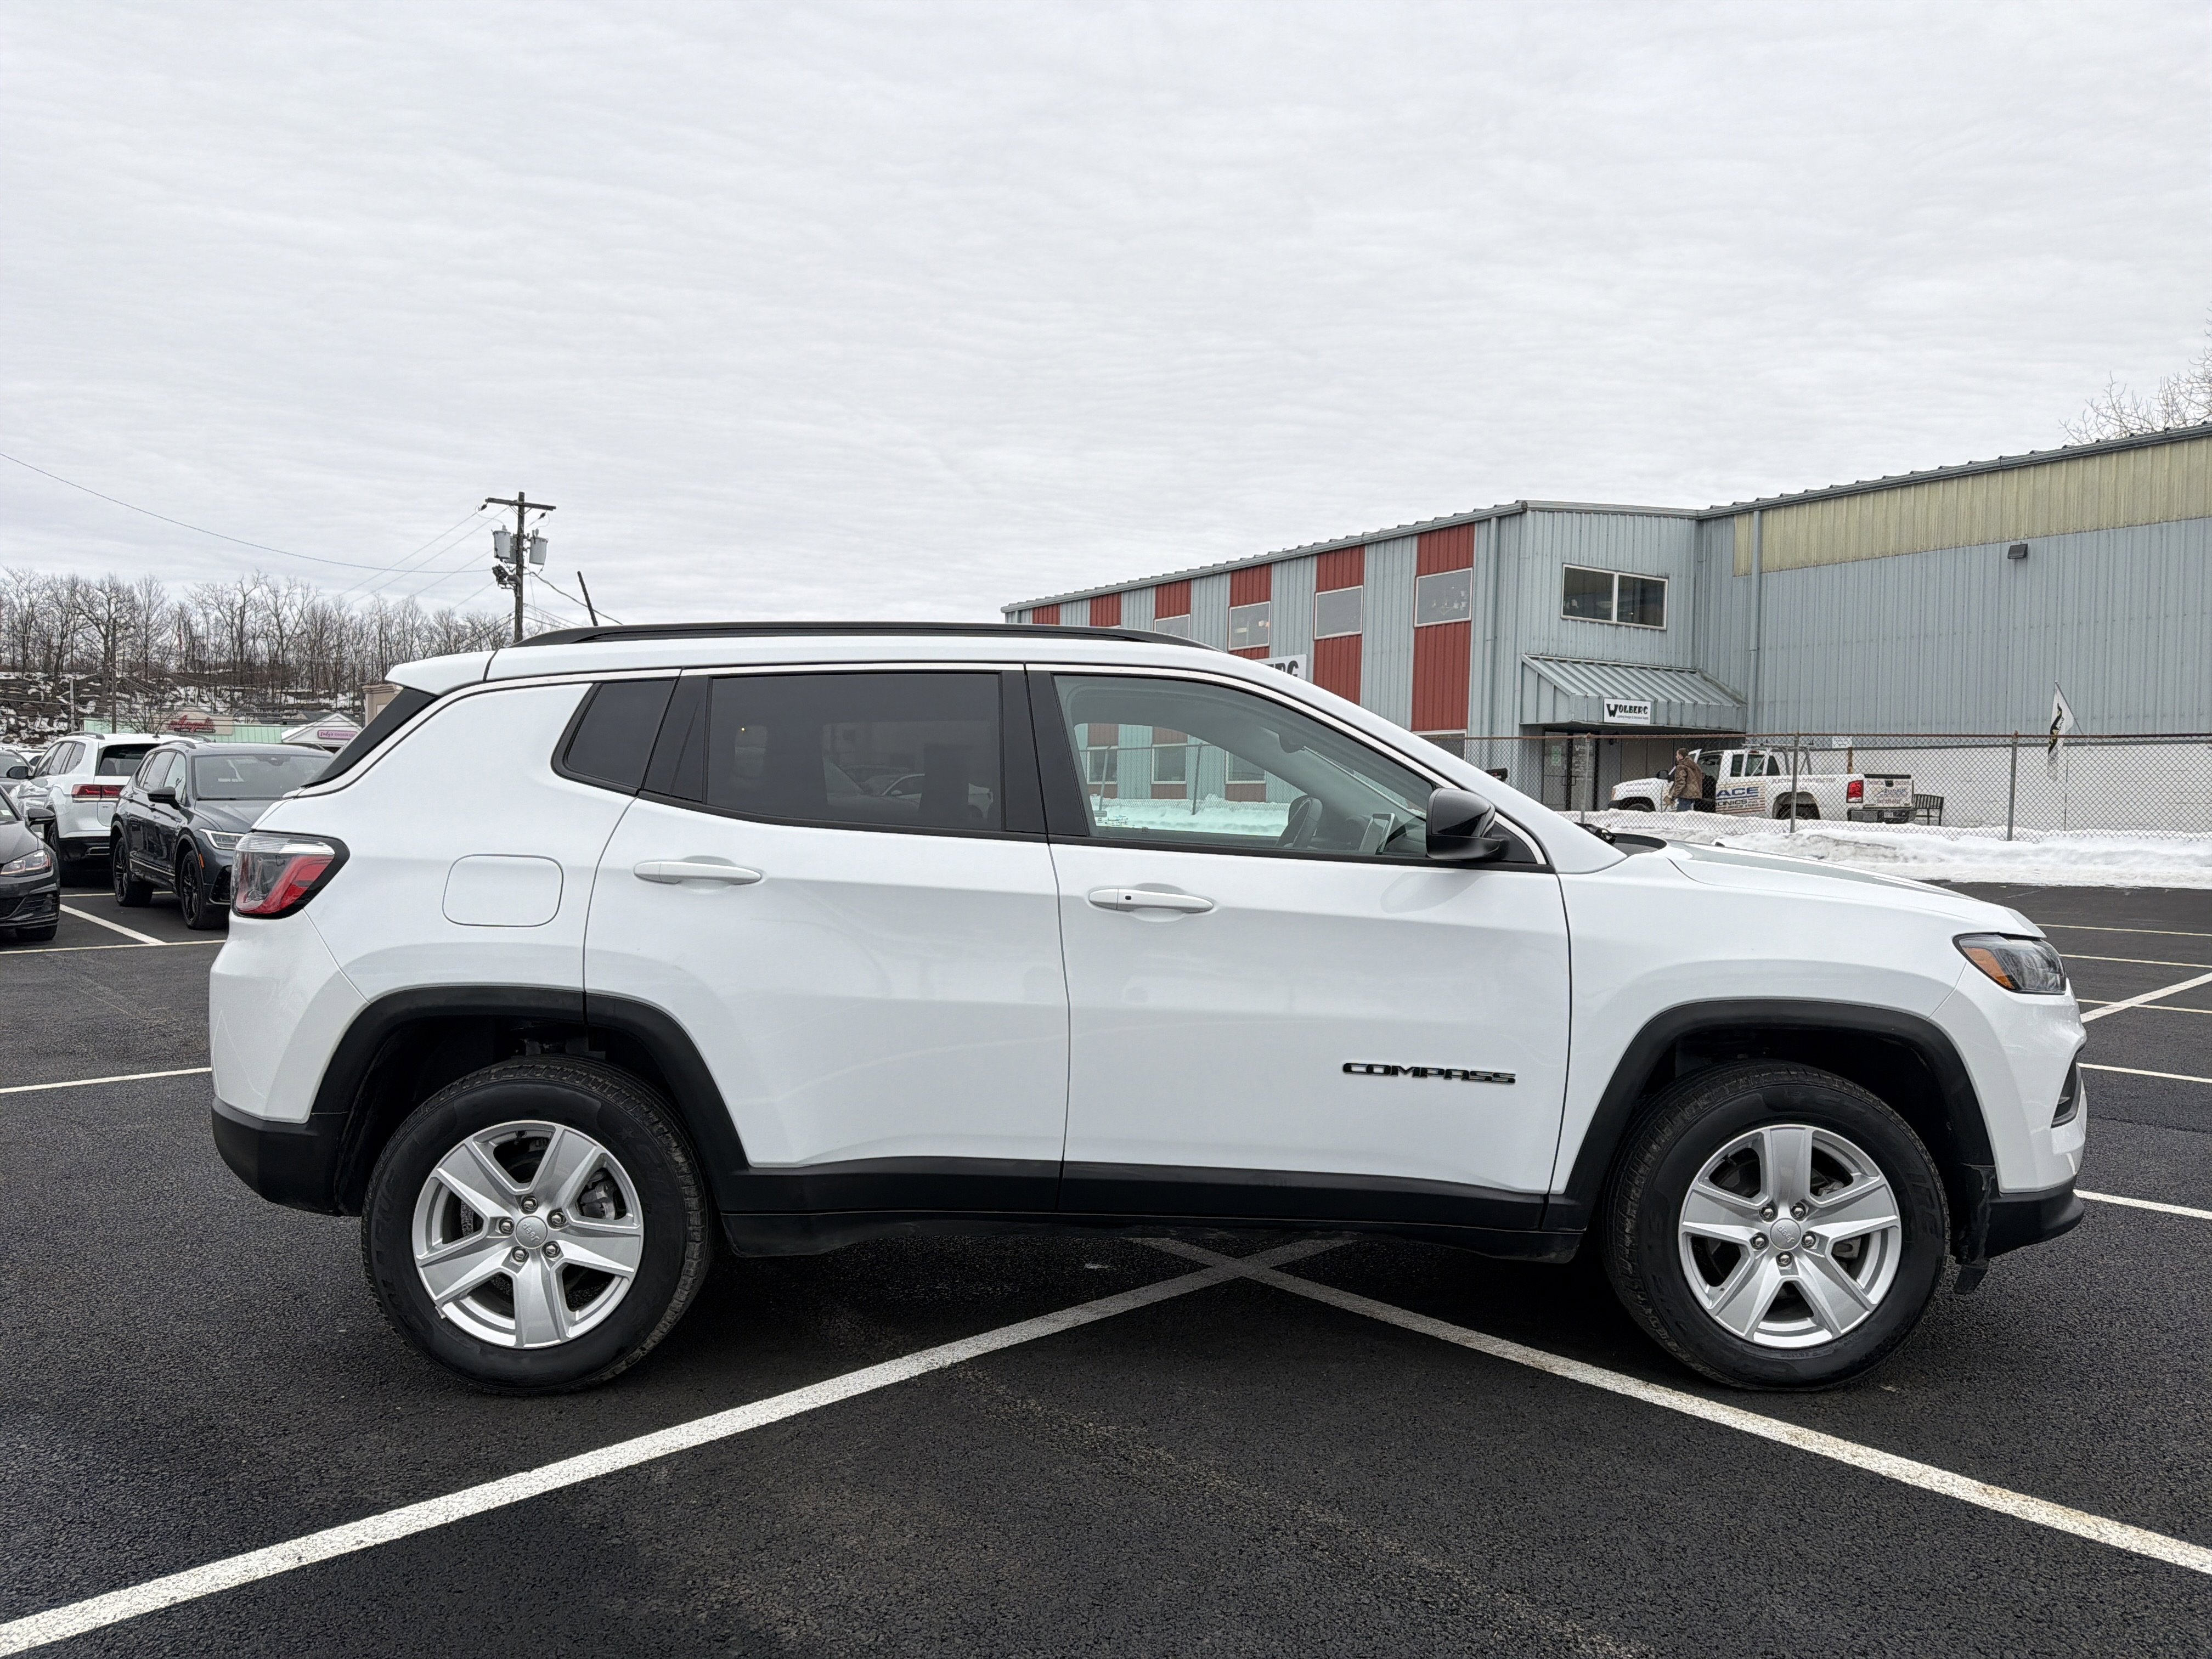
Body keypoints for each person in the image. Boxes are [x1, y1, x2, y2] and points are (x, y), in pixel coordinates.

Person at [1664, 748, 1705, 812]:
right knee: (1687, 816)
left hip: (1685, 795)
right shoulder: (1693, 765)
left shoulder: (1681, 767)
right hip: (1693, 794)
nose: (1676, 756)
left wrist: (1674, 795)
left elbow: (1680, 783)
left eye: (1677, 755)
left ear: (1681, 756)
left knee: (1681, 816)